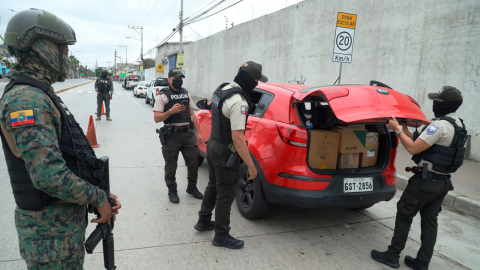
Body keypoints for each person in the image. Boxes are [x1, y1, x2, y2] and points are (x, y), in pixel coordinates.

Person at [0, 9, 121, 269]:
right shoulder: (27, 99)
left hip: (60, 234)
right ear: (40, 46)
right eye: (62, 49)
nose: (65, 57)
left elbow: (67, 156)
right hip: (49, 238)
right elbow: (49, 176)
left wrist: (101, 194)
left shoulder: (41, 93)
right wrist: (97, 198)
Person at [371, 86, 466, 270]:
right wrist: (405, 128)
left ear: (443, 104)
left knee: (405, 213)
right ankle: (422, 262)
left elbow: (414, 148)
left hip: (425, 182)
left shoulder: (439, 125)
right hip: (442, 182)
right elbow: (425, 143)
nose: (433, 104)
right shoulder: (458, 125)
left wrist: (397, 130)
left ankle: (392, 255)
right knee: (430, 221)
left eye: (436, 101)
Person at [194, 61, 267, 249]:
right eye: (257, 80)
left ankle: (203, 221)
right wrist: (251, 166)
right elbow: (238, 138)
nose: (257, 84)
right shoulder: (240, 102)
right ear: (251, 80)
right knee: (226, 193)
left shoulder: (223, 89)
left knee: (213, 185)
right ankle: (221, 235)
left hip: (213, 145)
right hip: (225, 152)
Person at [153, 68, 204, 203]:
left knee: (193, 162)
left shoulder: (185, 94)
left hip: (187, 134)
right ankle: (172, 190)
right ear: (169, 79)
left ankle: (192, 187)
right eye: (176, 78)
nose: (179, 81)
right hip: (171, 135)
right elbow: (157, 118)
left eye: (181, 78)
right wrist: (171, 111)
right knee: (171, 165)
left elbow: (192, 115)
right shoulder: (162, 95)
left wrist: (198, 133)